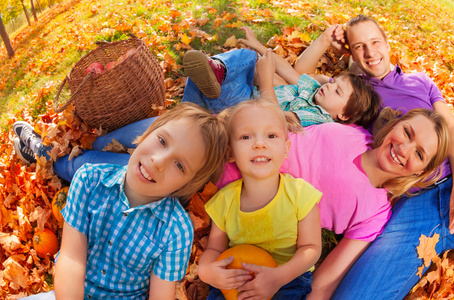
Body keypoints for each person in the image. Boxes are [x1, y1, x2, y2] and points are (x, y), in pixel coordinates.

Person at [292, 15, 454, 299]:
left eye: (375, 42)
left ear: (387, 42)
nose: (370, 52)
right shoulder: (357, 91)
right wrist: (325, 42)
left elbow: (450, 128)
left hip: (445, 180)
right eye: (359, 46)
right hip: (408, 198)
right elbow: (301, 75)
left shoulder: (420, 82)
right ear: (350, 53)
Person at [217, 106, 449, 299]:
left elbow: (324, 283)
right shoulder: (352, 133)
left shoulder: (375, 213)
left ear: (421, 173)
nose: (405, 149)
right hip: (228, 148)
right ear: (395, 125)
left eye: (419, 154)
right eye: (407, 133)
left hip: (231, 201)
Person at [20, 103, 228, 300]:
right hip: (69, 292)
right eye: (162, 141)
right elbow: (72, 259)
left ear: (186, 185)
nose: (159, 161)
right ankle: (38, 148)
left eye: (180, 166)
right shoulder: (89, 180)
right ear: (147, 133)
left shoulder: (175, 229)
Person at [198, 98, 322, 300]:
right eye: (246, 137)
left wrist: (278, 277)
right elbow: (214, 248)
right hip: (236, 281)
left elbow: (311, 248)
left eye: (271, 135)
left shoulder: (301, 194)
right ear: (230, 153)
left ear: (286, 148)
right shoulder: (225, 201)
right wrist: (207, 271)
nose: (259, 144)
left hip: (286, 279)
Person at [182, 27, 381, 129]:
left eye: (337, 91)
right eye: (334, 83)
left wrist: (267, 78)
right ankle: (217, 71)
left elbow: (276, 119)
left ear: (343, 116)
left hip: (242, 109)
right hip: (245, 93)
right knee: (249, 57)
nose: (329, 86)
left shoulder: (318, 117)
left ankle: (211, 80)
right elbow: (286, 69)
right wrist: (259, 46)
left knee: (209, 81)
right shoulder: (313, 89)